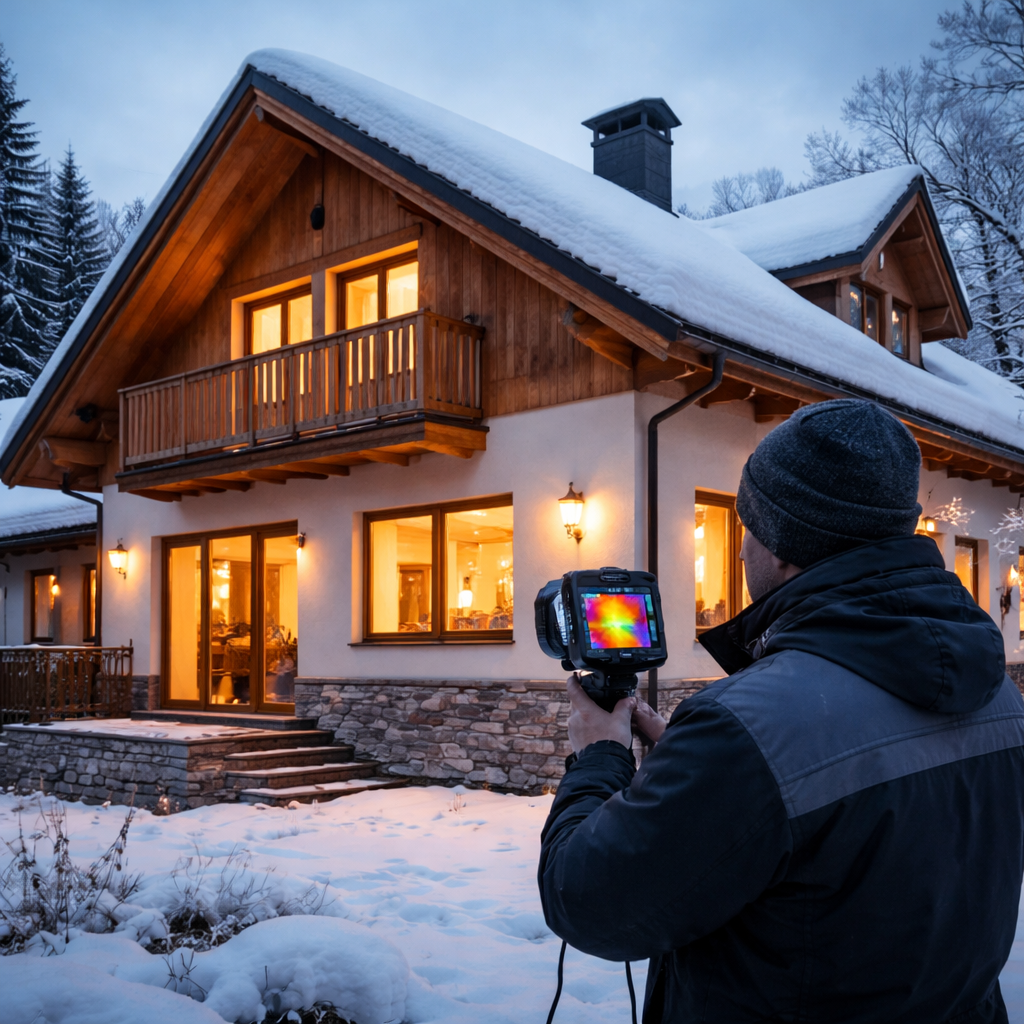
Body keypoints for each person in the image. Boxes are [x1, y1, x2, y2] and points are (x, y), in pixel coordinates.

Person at [538, 399, 1024, 1022]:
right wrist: (694, 773)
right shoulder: (997, 693)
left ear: (783, 547)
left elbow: (592, 903)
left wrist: (599, 756)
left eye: (747, 529)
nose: (740, 553)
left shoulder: (749, 729)